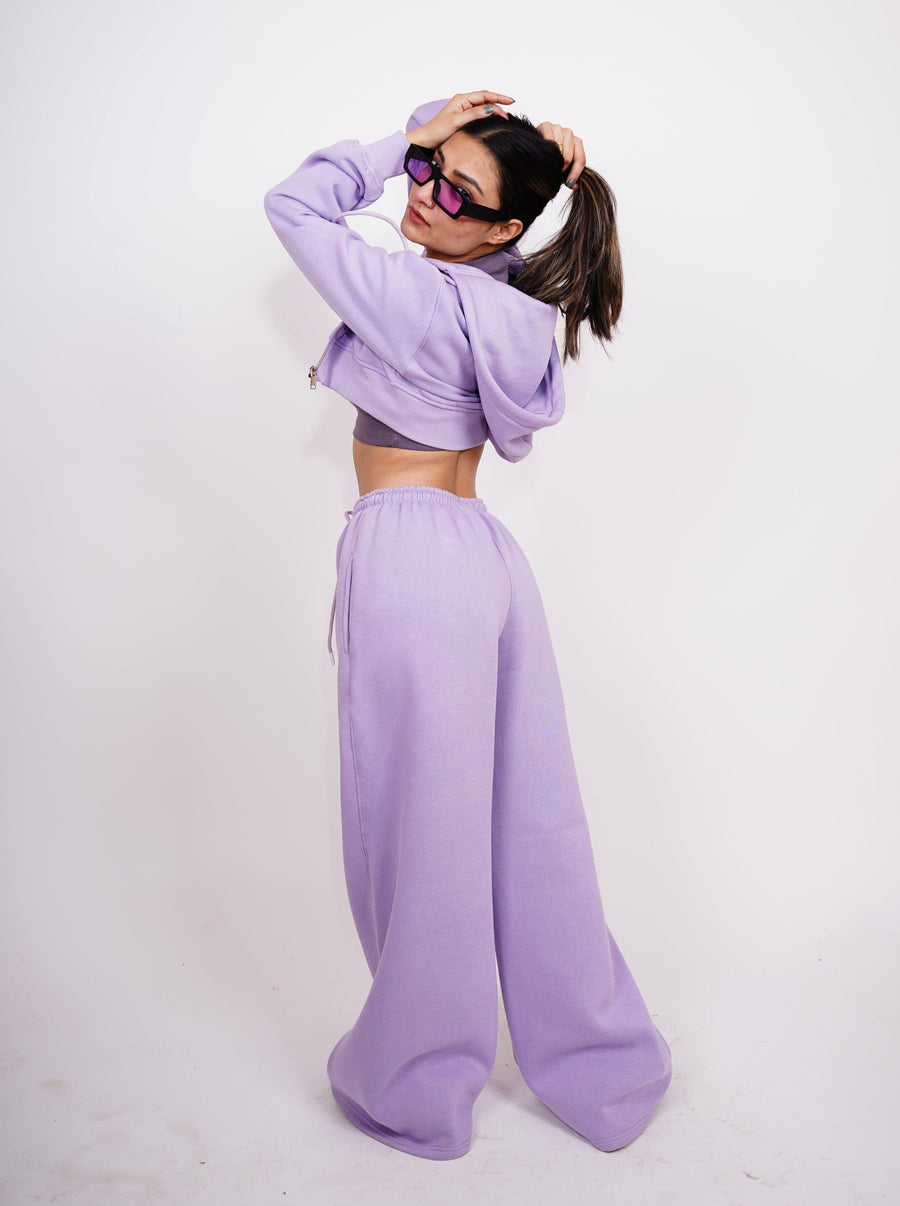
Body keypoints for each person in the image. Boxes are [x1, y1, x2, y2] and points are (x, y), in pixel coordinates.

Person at [263, 90, 672, 1162]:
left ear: (503, 226)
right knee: (531, 824)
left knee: (421, 834)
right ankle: (600, 1063)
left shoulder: (410, 295)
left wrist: (399, 141)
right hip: (485, 557)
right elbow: (477, 235)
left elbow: (296, 206)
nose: (426, 196)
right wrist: (511, 162)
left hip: (408, 554)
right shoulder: (510, 305)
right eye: (429, 173)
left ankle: (418, 1084)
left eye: (457, 194)